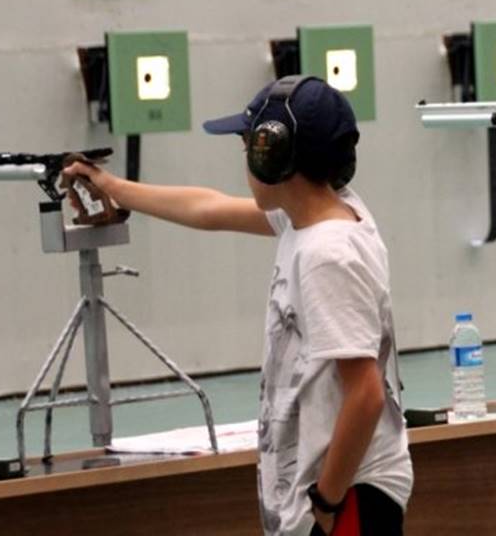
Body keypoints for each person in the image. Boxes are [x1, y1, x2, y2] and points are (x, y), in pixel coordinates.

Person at [64, 75, 413, 536]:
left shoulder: (325, 253)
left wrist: (326, 502)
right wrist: (113, 187)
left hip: (349, 495)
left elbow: (365, 394)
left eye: (249, 146)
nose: (245, 157)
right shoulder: (314, 216)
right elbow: (207, 208)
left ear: (275, 155)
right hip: (336, 492)